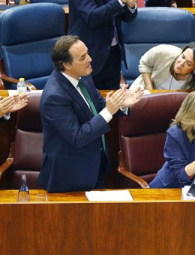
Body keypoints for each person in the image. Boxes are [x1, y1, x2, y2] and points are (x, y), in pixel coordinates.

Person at [37, 35, 143, 192]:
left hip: (95, 164)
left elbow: (99, 105)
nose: (90, 59)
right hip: (70, 177)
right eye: (82, 57)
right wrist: (109, 110)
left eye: (87, 53)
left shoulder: (83, 77)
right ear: (66, 64)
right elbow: (77, 137)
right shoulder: (54, 97)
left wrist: (120, 104)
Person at [68, 0, 138, 90]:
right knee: (88, 99)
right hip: (87, 54)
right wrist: (120, 2)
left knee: (113, 96)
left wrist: (130, 5)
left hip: (113, 52)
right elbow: (92, 17)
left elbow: (126, 17)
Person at [129, 43, 195, 91]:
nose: (181, 63)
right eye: (183, 57)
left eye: (188, 64)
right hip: (143, 92)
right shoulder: (164, 52)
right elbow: (144, 62)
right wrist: (149, 89)